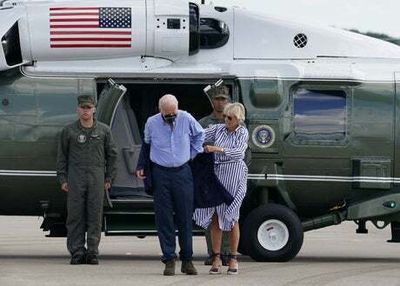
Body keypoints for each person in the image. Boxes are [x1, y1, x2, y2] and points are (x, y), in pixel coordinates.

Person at [135, 94, 204, 276]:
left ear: (177, 108)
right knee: (164, 218)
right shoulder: (151, 122)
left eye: (173, 113)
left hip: (182, 172)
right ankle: (169, 259)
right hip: (161, 173)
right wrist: (141, 165)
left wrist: (191, 154)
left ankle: (187, 260)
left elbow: (200, 135)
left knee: (185, 217)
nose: (171, 117)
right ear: (160, 111)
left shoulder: (186, 118)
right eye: (167, 115)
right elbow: (147, 145)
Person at [56, 95, 117, 265]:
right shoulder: (69, 131)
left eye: (89, 108)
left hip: (96, 177)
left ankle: (92, 252)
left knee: (94, 216)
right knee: (75, 216)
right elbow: (62, 157)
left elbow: (112, 155)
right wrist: (62, 178)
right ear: (78, 109)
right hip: (75, 177)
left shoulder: (103, 130)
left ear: (94, 109)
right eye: (83, 107)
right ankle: (76, 251)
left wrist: (109, 177)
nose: (85, 111)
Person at [193, 102, 248, 275]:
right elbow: (199, 134)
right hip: (217, 174)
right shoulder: (218, 129)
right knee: (215, 216)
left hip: (234, 174)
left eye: (230, 118)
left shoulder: (243, 132)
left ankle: (232, 257)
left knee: (232, 218)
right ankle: (215, 256)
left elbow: (239, 153)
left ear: (238, 119)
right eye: (224, 116)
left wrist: (217, 149)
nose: (226, 120)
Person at [198, 84, 231, 266]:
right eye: (217, 99)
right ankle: (213, 252)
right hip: (209, 174)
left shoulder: (234, 123)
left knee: (228, 214)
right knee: (211, 215)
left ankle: (226, 252)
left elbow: (244, 149)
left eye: (223, 99)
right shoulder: (203, 123)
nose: (220, 103)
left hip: (228, 174)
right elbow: (196, 146)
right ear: (212, 101)